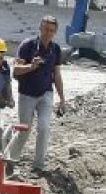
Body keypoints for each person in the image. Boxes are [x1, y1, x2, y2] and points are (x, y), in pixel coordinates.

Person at [11, 15, 66, 176]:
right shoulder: (27, 46)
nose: (48, 33)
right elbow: (15, 70)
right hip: (27, 94)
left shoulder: (55, 49)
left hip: (46, 93)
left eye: (51, 30)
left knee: (44, 127)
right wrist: (31, 66)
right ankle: (10, 160)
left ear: (55, 32)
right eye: (46, 29)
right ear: (40, 28)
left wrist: (62, 98)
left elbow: (57, 74)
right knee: (24, 130)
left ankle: (39, 165)